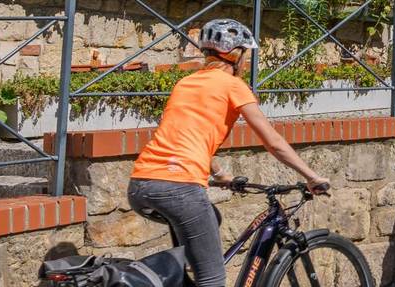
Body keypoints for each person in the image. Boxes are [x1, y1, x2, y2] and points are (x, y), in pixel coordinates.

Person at [126, 19, 331, 287]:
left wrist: (221, 174)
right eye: (246, 54)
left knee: (212, 219)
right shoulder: (233, 85)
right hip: (179, 187)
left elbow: (185, 136)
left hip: (140, 186)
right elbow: (273, 141)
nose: (246, 61)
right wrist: (311, 176)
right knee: (212, 280)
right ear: (235, 55)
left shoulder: (185, 84)